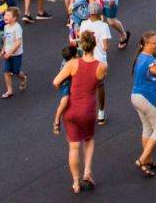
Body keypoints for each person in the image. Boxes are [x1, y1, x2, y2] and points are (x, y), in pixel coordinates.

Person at [53, 30, 106, 194]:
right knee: (89, 140)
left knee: (74, 147)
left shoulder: (72, 64)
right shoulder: (102, 66)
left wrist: (66, 87)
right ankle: (87, 171)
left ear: (81, 45)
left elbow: (56, 82)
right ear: (94, 45)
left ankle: (75, 182)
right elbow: (99, 85)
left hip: (71, 109)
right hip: (88, 109)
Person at [131, 31, 156, 177]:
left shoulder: (140, 57)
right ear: (146, 44)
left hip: (136, 96)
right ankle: (142, 159)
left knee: (147, 128)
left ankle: (148, 161)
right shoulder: (151, 62)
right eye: (154, 43)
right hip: (149, 97)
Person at [78, 0, 114, 124]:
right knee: (100, 86)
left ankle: (85, 113)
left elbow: (81, 41)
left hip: (86, 60)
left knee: (86, 88)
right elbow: (105, 47)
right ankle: (101, 113)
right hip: (99, 61)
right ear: (100, 13)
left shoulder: (83, 24)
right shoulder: (104, 26)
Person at [0, 6, 27, 98]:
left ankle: (23, 78)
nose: (5, 16)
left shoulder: (17, 28)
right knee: (6, 71)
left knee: (16, 72)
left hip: (16, 54)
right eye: (5, 14)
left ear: (14, 18)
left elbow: (18, 42)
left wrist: (10, 53)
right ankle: (9, 90)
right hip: (7, 53)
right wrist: (3, 50)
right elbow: (6, 40)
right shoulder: (6, 27)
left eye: (8, 15)